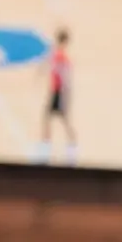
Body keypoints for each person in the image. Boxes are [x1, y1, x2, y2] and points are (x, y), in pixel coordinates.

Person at [37, 28, 77, 164]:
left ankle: (70, 151)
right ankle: (49, 151)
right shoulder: (57, 55)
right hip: (55, 92)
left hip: (59, 93)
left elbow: (66, 78)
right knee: (48, 120)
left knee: (63, 121)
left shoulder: (61, 58)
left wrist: (66, 97)